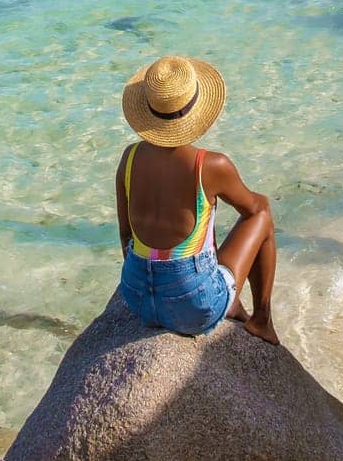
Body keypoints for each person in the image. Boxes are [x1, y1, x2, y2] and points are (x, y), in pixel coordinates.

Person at [117, 54, 278, 344]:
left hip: (137, 298)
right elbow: (254, 210)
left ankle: (228, 298)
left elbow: (125, 238)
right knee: (263, 210)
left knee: (201, 219)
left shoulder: (128, 158)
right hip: (192, 308)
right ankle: (262, 320)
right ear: (195, 109)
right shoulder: (211, 165)